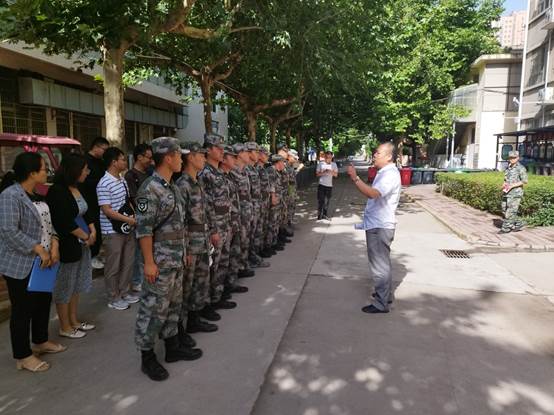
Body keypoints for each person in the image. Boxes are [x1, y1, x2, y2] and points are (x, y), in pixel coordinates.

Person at [135, 137, 202, 382]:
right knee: (153, 310)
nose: (181, 159)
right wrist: (149, 262)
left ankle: (172, 348)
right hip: (160, 262)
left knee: (173, 306)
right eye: (178, 155)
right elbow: (144, 230)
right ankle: (147, 357)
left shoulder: (171, 186)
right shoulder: (149, 189)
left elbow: (180, 225)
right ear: (168, 157)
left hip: (175, 258)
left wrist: (184, 252)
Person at [0, 153, 66, 372]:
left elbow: (48, 224)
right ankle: (22, 355)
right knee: (22, 310)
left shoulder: (37, 194)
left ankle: (40, 340)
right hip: (21, 263)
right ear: (31, 173)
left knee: (42, 303)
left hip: (45, 261)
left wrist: (54, 244)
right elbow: (9, 231)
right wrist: (38, 248)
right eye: (44, 168)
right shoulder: (10, 196)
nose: (47, 172)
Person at [47, 154, 97, 338]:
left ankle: (74, 321)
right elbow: (63, 221)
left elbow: (86, 212)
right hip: (68, 245)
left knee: (77, 283)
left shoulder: (77, 187)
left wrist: (92, 230)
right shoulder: (57, 191)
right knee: (65, 285)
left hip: (83, 243)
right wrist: (85, 236)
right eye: (85, 169)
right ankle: (65, 326)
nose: (87, 172)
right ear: (75, 170)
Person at [347, 143, 401, 314]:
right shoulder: (384, 172)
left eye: (378, 153)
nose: (374, 155)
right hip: (378, 224)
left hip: (380, 226)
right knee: (382, 263)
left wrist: (355, 178)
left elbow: (373, 193)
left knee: (379, 266)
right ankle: (385, 295)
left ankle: (381, 303)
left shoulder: (389, 174)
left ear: (389, 157)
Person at [175, 141, 218, 337]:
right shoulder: (182, 185)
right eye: (200, 155)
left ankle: (194, 320)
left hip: (202, 240)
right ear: (190, 157)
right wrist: (185, 249)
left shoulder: (197, 181)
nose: (204, 158)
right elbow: (181, 221)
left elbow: (206, 212)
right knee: (186, 287)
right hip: (191, 244)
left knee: (200, 283)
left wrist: (211, 233)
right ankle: (179, 330)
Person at [198, 135, 236, 312]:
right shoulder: (204, 173)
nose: (222, 151)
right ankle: (208, 303)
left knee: (222, 262)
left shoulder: (218, 172)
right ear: (208, 149)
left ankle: (217, 296)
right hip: (215, 227)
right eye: (218, 147)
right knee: (212, 265)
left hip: (224, 224)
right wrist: (213, 229)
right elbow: (205, 205)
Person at [97, 147, 138, 310]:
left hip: (127, 228)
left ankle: (124, 292)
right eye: (122, 159)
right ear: (114, 162)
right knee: (113, 266)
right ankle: (113, 297)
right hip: (112, 231)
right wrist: (128, 219)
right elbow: (107, 210)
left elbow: (127, 201)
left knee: (128, 262)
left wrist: (133, 216)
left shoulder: (121, 180)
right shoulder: (104, 183)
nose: (125, 162)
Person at [125, 143, 153, 294]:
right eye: (148, 157)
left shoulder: (149, 173)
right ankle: (137, 281)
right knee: (137, 252)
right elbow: (133, 198)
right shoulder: (131, 175)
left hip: (151, 218)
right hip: (139, 219)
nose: (150, 160)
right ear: (139, 157)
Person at [79, 136, 109, 269]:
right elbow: (84, 183)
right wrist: (101, 183)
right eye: (104, 149)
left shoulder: (101, 162)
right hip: (88, 201)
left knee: (99, 231)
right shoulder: (84, 161)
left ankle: (95, 256)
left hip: (100, 202)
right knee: (91, 229)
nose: (105, 153)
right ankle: (89, 258)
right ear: (96, 147)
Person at [231, 143, 257, 277]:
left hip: (247, 213)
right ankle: (237, 270)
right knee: (237, 244)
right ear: (240, 154)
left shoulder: (244, 171)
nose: (249, 155)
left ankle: (243, 265)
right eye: (246, 152)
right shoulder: (232, 173)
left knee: (245, 241)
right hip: (238, 215)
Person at [499, 151, 528, 234]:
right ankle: (519, 223)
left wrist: (512, 185)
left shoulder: (521, 168)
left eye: (514, 158)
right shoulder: (508, 168)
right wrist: (504, 185)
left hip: (516, 193)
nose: (512, 159)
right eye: (510, 158)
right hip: (507, 192)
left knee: (510, 212)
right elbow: (506, 179)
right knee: (504, 210)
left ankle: (506, 228)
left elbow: (524, 181)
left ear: (518, 158)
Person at [316, 151, 338, 220]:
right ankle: (319, 215)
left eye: (330, 157)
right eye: (327, 157)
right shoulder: (321, 164)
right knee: (321, 200)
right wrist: (324, 172)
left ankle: (324, 214)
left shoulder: (334, 164)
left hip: (329, 185)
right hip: (321, 184)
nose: (328, 159)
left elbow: (336, 175)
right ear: (325, 157)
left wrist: (330, 171)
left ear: (331, 158)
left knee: (326, 201)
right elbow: (317, 174)